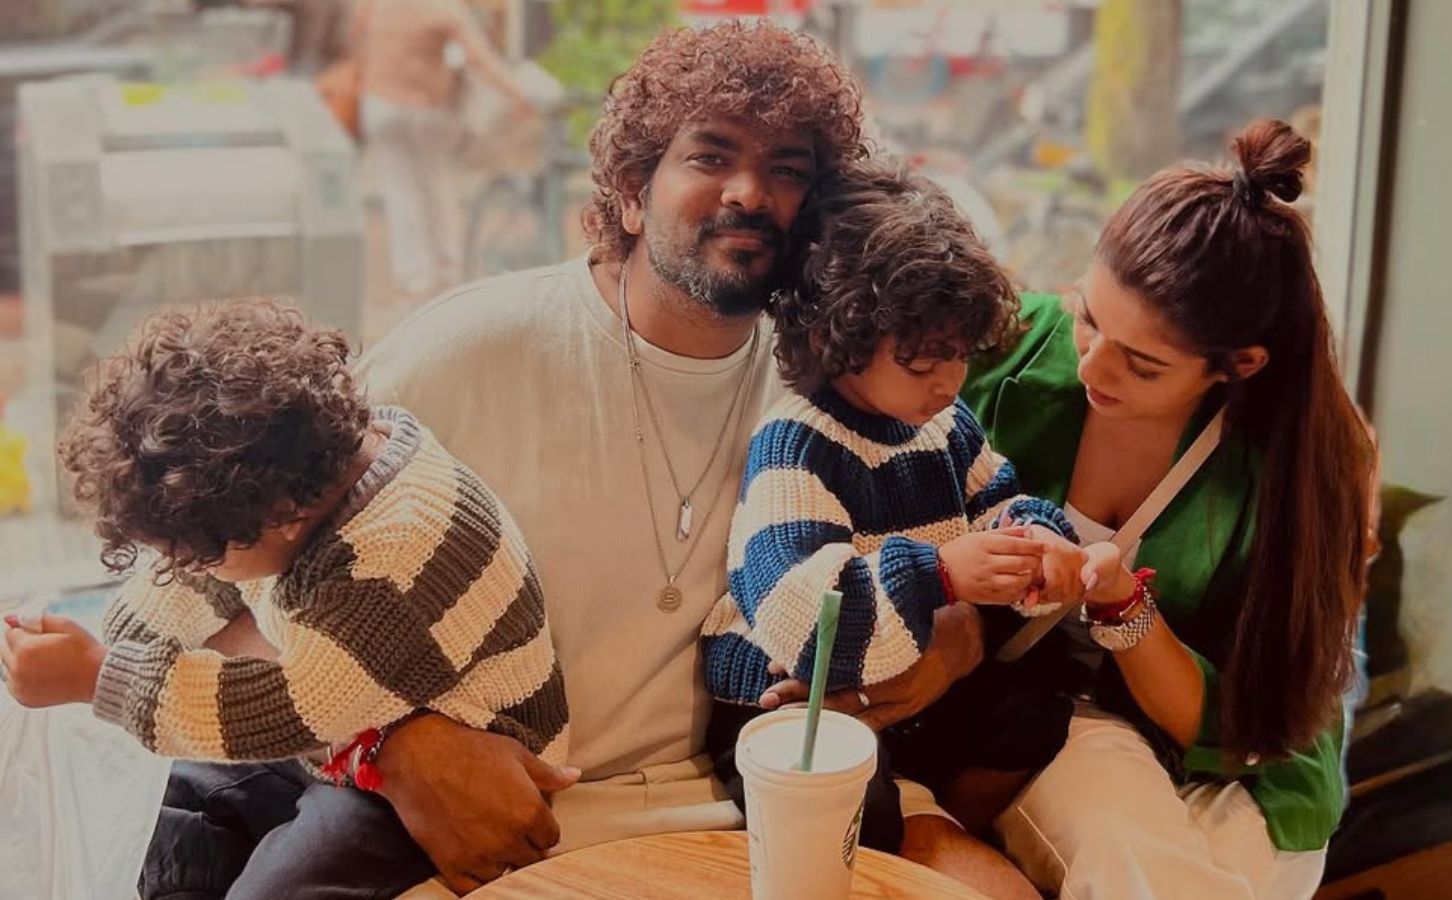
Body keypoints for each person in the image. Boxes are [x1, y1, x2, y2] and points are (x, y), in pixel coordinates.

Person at [354, 22, 1034, 899]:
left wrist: (958, 641)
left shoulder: (853, 378)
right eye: (710, 156)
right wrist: (395, 745)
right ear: (632, 193)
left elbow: (983, 530)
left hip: (770, 792)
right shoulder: (461, 354)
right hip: (506, 812)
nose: (749, 191)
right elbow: (239, 591)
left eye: (787, 168)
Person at [0, 299, 567, 900]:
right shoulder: (296, 479)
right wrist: (113, 643)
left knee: (284, 886)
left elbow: (295, 706)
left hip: (458, 766)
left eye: (197, 554)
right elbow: (197, 585)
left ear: (283, 519)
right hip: (355, 730)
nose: (185, 568)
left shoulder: (393, 559)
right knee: (168, 810)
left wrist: (100, 677)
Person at [956, 118, 1373, 899]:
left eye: (1143, 365)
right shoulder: (1003, 350)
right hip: (1037, 718)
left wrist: (1121, 603)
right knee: (1147, 867)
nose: (1093, 366)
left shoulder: (1288, 472)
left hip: (1237, 749)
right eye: (1089, 316)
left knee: (1204, 877)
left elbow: (1237, 721)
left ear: (1237, 365)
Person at [701, 158, 1131, 869]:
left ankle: (938, 819)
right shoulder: (797, 444)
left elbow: (1000, 500)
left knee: (1033, 714)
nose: (950, 381)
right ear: (836, 339)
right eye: (921, 363)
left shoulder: (946, 426)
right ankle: (900, 841)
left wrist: (1035, 540)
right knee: (850, 807)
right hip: (796, 697)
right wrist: (941, 573)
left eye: (959, 355)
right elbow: (805, 620)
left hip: (911, 679)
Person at [354, 0, 532, 299]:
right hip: (427, 109)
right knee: (436, 185)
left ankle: (412, 273)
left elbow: (357, 44)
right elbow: (480, 58)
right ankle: (447, 266)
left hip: (381, 104)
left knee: (400, 190)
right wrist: (517, 94)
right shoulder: (444, 9)